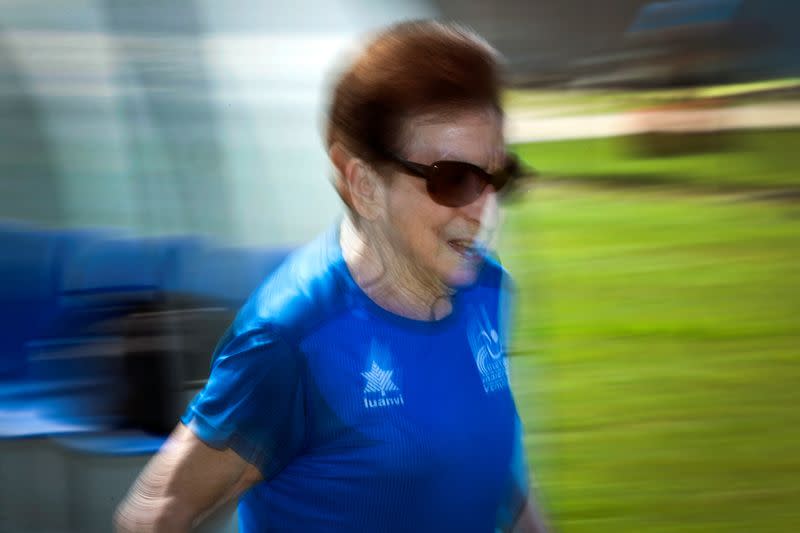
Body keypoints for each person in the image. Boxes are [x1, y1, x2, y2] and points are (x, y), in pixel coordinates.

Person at [115, 20, 548, 533]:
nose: (485, 209)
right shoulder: (293, 337)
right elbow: (155, 513)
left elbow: (496, 473)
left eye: (498, 176)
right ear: (363, 184)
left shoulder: (488, 290)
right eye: (454, 179)